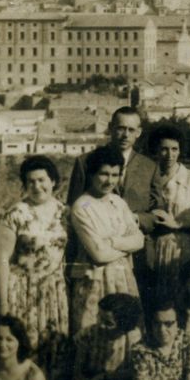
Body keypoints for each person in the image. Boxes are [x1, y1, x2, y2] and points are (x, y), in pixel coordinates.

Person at [65, 107, 157, 301]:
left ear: (139, 132)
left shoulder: (150, 166)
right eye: (120, 128)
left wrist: (136, 220)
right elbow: (73, 208)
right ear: (110, 128)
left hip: (138, 257)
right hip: (93, 261)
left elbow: (158, 211)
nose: (125, 134)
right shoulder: (85, 162)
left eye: (131, 130)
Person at [0, 155, 69, 378]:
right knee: (26, 346)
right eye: (31, 181)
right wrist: (4, 301)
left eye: (42, 180)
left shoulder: (65, 213)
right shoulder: (15, 213)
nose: (37, 186)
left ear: (53, 181)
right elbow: (2, 258)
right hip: (23, 292)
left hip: (55, 291)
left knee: (55, 347)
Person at [69, 146, 144, 332]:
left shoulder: (118, 202)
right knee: (95, 332)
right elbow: (99, 255)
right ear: (92, 173)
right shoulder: (82, 205)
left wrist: (112, 242)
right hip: (95, 281)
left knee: (125, 332)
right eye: (104, 174)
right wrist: (126, 244)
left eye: (115, 175)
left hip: (123, 278)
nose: (109, 180)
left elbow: (139, 240)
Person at [146, 124, 190, 305]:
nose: (170, 155)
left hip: (184, 248)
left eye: (174, 149)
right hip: (154, 249)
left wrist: (178, 224)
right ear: (156, 150)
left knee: (184, 300)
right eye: (164, 149)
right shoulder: (148, 177)